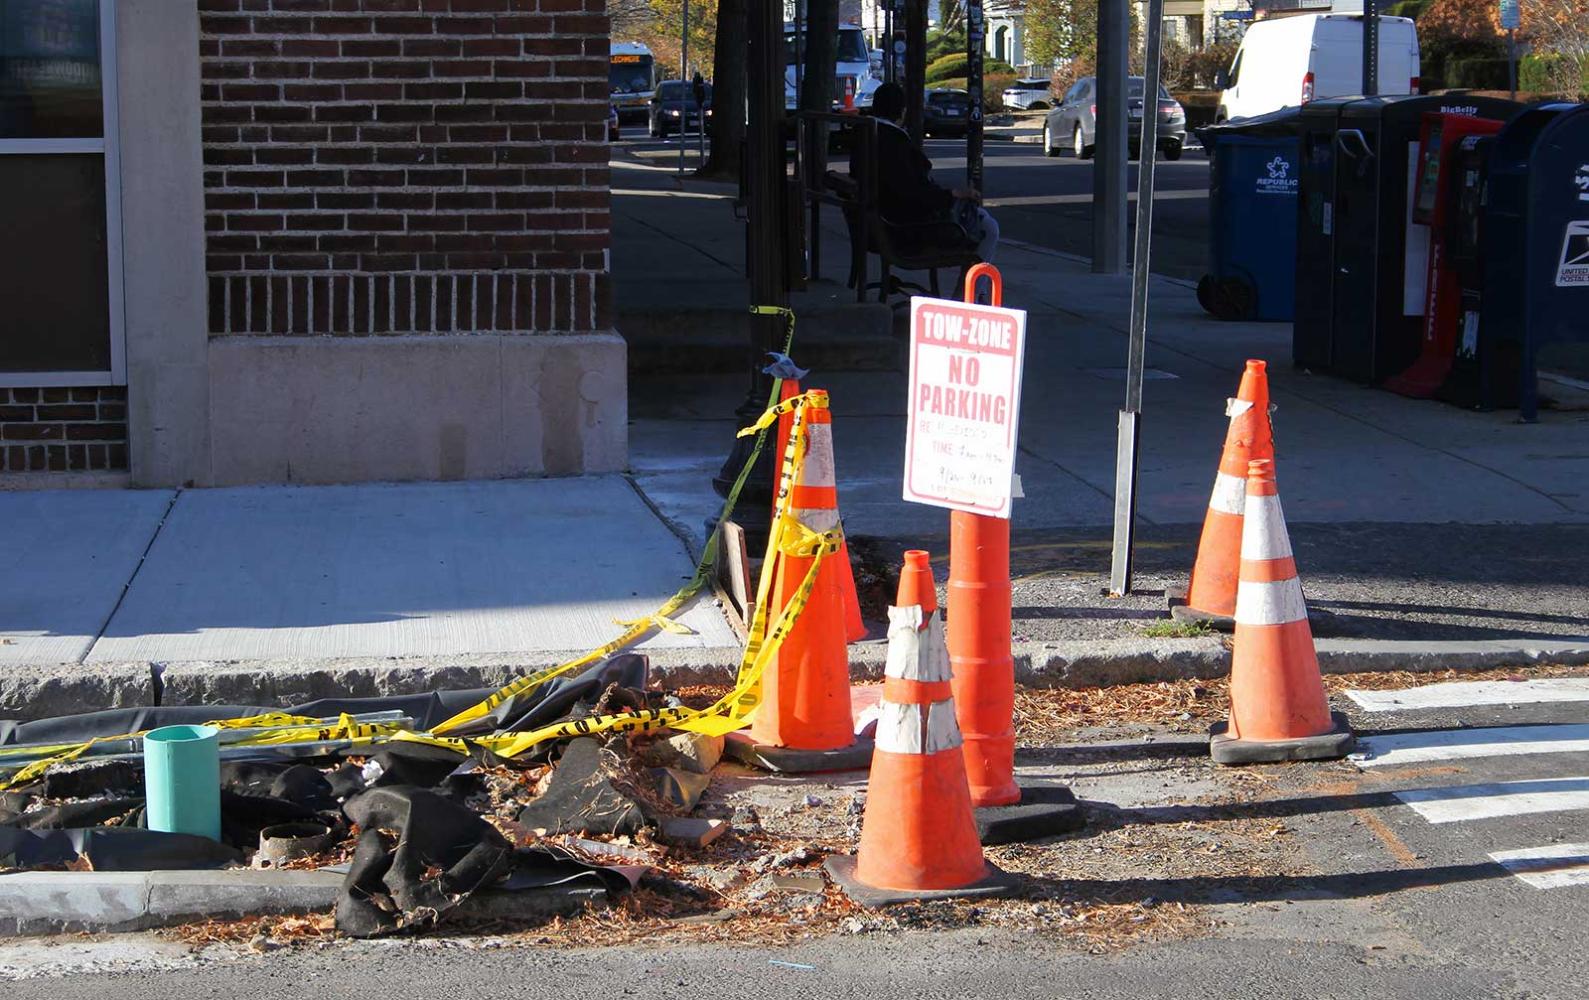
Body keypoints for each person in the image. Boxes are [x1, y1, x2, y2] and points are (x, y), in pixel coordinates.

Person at [864, 81, 999, 262]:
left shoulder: (866, 135)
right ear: (902, 111)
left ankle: (968, 289)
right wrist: (952, 194)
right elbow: (912, 192)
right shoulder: (895, 143)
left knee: (978, 221)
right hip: (905, 228)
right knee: (987, 227)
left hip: (880, 223)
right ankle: (970, 289)